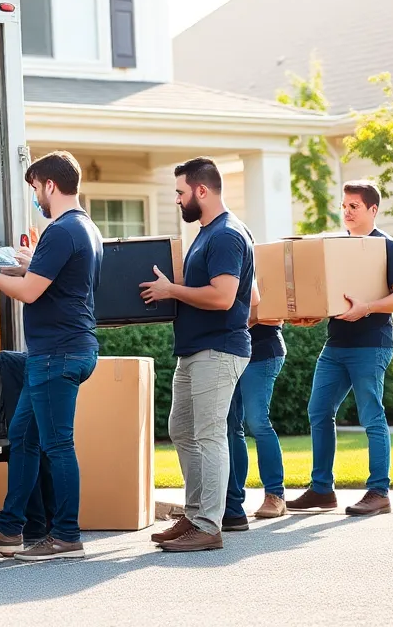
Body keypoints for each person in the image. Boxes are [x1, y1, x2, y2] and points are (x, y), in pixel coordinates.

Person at [0, 150, 103, 561]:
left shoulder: (61, 231)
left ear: (50, 185)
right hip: (61, 351)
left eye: (36, 188)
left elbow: (30, 293)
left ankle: (67, 537)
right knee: (22, 436)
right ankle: (9, 529)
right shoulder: (85, 227)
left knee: (57, 446)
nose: (36, 197)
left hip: (58, 354)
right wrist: (25, 265)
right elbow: (49, 281)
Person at [140, 157, 255, 552]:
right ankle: (194, 516)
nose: (177, 200)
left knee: (208, 435)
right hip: (194, 350)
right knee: (183, 431)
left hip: (217, 350)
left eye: (180, 192)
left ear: (201, 191)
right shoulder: (208, 234)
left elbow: (224, 297)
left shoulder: (225, 235)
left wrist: (173, 290)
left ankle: (208, 525)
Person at [286, 180, 393, 517]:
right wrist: (312, 315)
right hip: (336, 343)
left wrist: (367, 308)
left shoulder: (388, 248)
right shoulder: (338, 248)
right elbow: (332, 296)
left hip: (371, 345)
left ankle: (378, 491)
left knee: (371, 415)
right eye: (344, 206)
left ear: (373, 209)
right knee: (318, 410)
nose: (346, 212)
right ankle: (321, 490)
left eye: (354, 206)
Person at [222, 307, 289, 531]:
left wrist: (238, 321)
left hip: (262, 352)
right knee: (231, 426)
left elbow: (277, 315)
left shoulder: (266, 272)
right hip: (232, 353)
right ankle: (233, 501)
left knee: (257, 421)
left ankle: (275, 495)